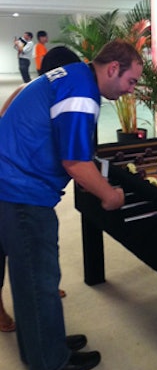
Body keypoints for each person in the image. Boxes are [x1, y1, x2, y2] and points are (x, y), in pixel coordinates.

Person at [0, 39, 143, 370]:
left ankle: (42, 345)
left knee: (29, 277)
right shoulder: (82, 92)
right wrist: (109, 195)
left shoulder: (73, 75)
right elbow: (75, 161)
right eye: (131, 81)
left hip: (10, 181)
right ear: (112, 69)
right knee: (39, 279)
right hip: (20, 191)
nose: (130, 90)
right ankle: (49, 362)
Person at [0, 46, 81, 331]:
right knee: (9, 247)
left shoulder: (49, 92)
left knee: (39, 242)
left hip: (16, 181)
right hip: (9, 182)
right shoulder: (28, 92)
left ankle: (45, 288)